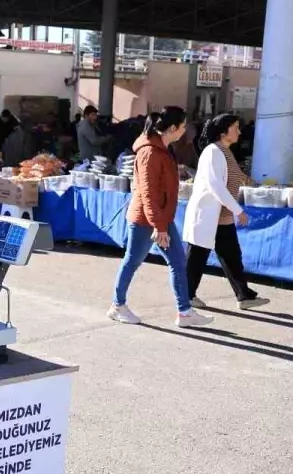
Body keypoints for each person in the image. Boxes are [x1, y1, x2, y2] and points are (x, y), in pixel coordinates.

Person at [107, 107, 212, 328]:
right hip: (146, 219)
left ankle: (184, 312)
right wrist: (159, 226)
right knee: (133, 261)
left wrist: (161, 223)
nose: (185, 130)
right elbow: (148, 192)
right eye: (183, 126)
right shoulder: (149, 152)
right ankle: (117, 305)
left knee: (177, 261)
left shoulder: (163, 148)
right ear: (173, 128)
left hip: (160, 218)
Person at [183, 114, 267, 311]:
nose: (239, 131)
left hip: (221, 215)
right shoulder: (213, 151)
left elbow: (235, 176)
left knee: (231, 256)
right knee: (197, 256)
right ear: (223, 132)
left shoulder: (225, 151)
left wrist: (254, 184)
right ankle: (186, 296)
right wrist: (238, 210)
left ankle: (244, 295)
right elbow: (216, 186)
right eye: (235, 127)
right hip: (209, 214)